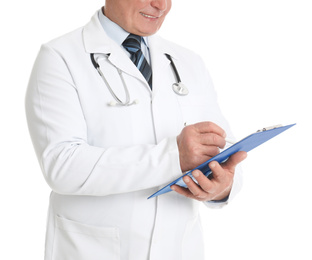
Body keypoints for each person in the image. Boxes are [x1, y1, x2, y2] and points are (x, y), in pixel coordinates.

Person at [25, 1, 247, 259]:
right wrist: (173, 157)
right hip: (94, 250)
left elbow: (225, 146)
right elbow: (62, 166)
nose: (161, 5)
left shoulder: (187, 61)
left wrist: (221, 187)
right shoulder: (60, 57)